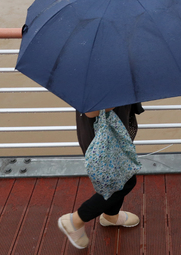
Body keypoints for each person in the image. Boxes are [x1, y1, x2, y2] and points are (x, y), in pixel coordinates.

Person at [58, 103, 144, 249]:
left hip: (114, 131)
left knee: (121, 174)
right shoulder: (97, 81)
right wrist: (117, 99)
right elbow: (90, 111)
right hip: (102, 136)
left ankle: (111, 215)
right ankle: (76, 220)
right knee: (125, 181)